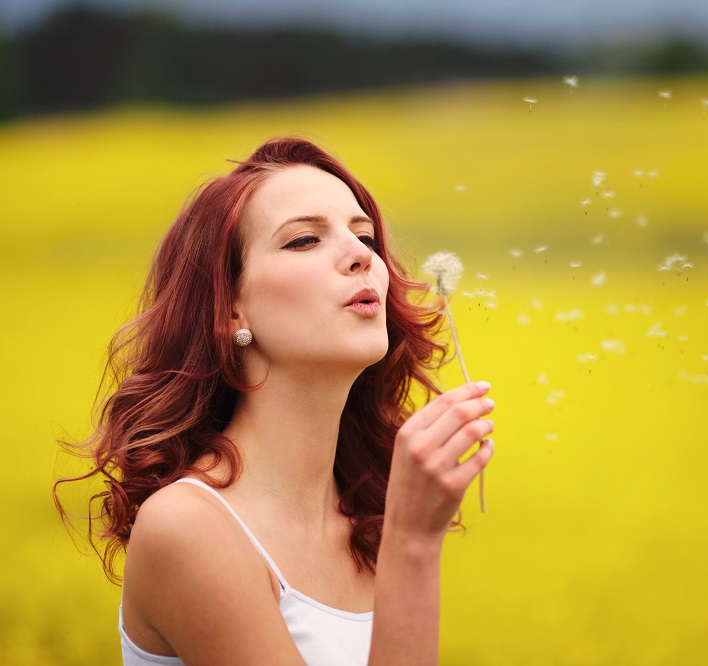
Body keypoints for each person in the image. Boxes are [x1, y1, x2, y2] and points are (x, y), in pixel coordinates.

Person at [53, 136, 495, 665]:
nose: (361, 256)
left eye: (366, 237)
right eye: (304, 240)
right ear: (230, 310)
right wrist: (413, 545)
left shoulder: (366, 518)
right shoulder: (190, 527)